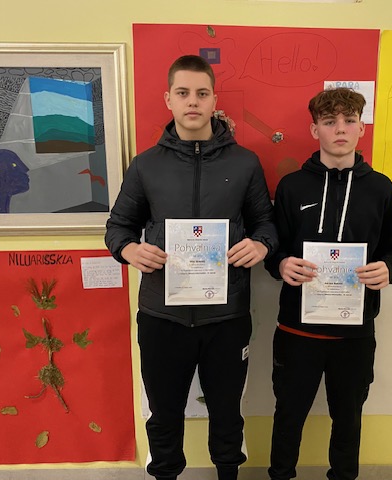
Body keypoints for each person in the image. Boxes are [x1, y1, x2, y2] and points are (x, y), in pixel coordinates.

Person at [105, 55, 277, 480]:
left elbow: (266, 223)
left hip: (227, 317)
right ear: (169, 99)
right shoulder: (146, 164)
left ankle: (228, 473)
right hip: (162, 317)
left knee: (227, 413)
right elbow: (118, 227)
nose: (193, 102)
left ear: (214, 100)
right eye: (183, 93)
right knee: (163, 414)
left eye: (202, 93)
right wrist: (129, 250)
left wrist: (261, 244)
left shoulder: (245, 163)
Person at [264, 88, 392, 480]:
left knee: (348, 419)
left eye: (348, 121)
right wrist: (281, 264)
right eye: (329, 122)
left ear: (362, 128)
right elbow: (273, 249)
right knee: (288, 416)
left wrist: (388, 269)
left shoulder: (380, 188)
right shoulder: (293, 187)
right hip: (297, 330)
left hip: (354, 334)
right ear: (315, 130)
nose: (340, 129)